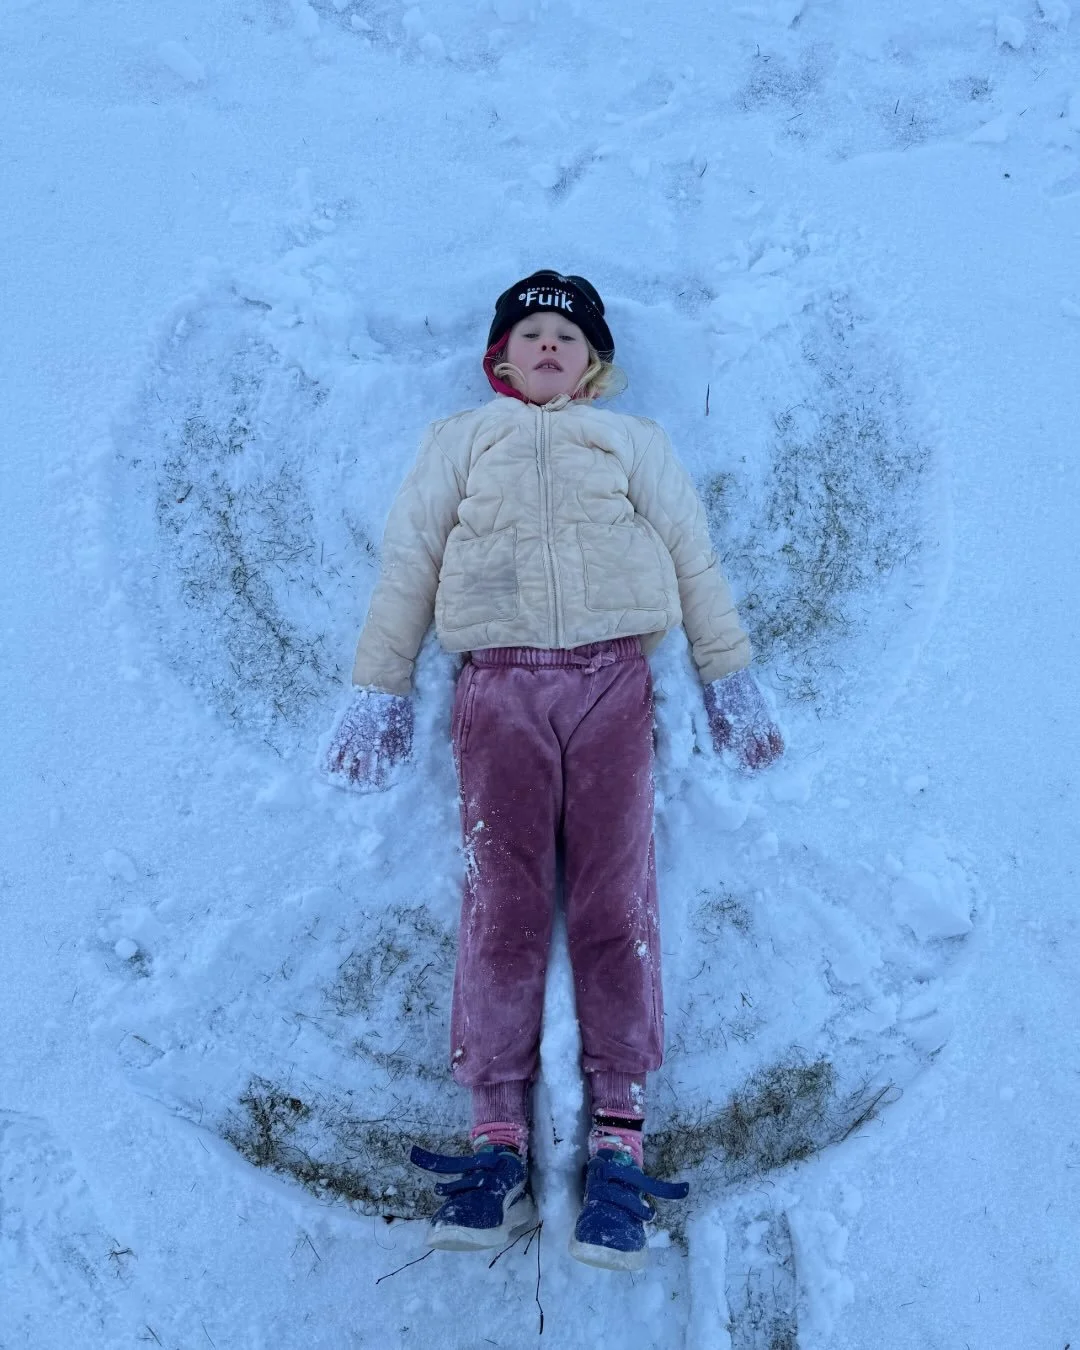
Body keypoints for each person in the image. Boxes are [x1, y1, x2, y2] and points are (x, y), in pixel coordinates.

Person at [323, 270, 784, 1271]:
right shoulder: (458, 441)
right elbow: (409, 560)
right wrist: (380, 686)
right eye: (527, 333)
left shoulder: (633, 444)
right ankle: (497, 1142)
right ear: (498, 358)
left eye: (565, 339)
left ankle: (619, 1140)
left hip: (614, 685)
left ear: (594, 364)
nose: (545, 347)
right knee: (504, 903)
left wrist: (728, 676)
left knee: (619, 901)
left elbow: (694, 559)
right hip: (495, 690)